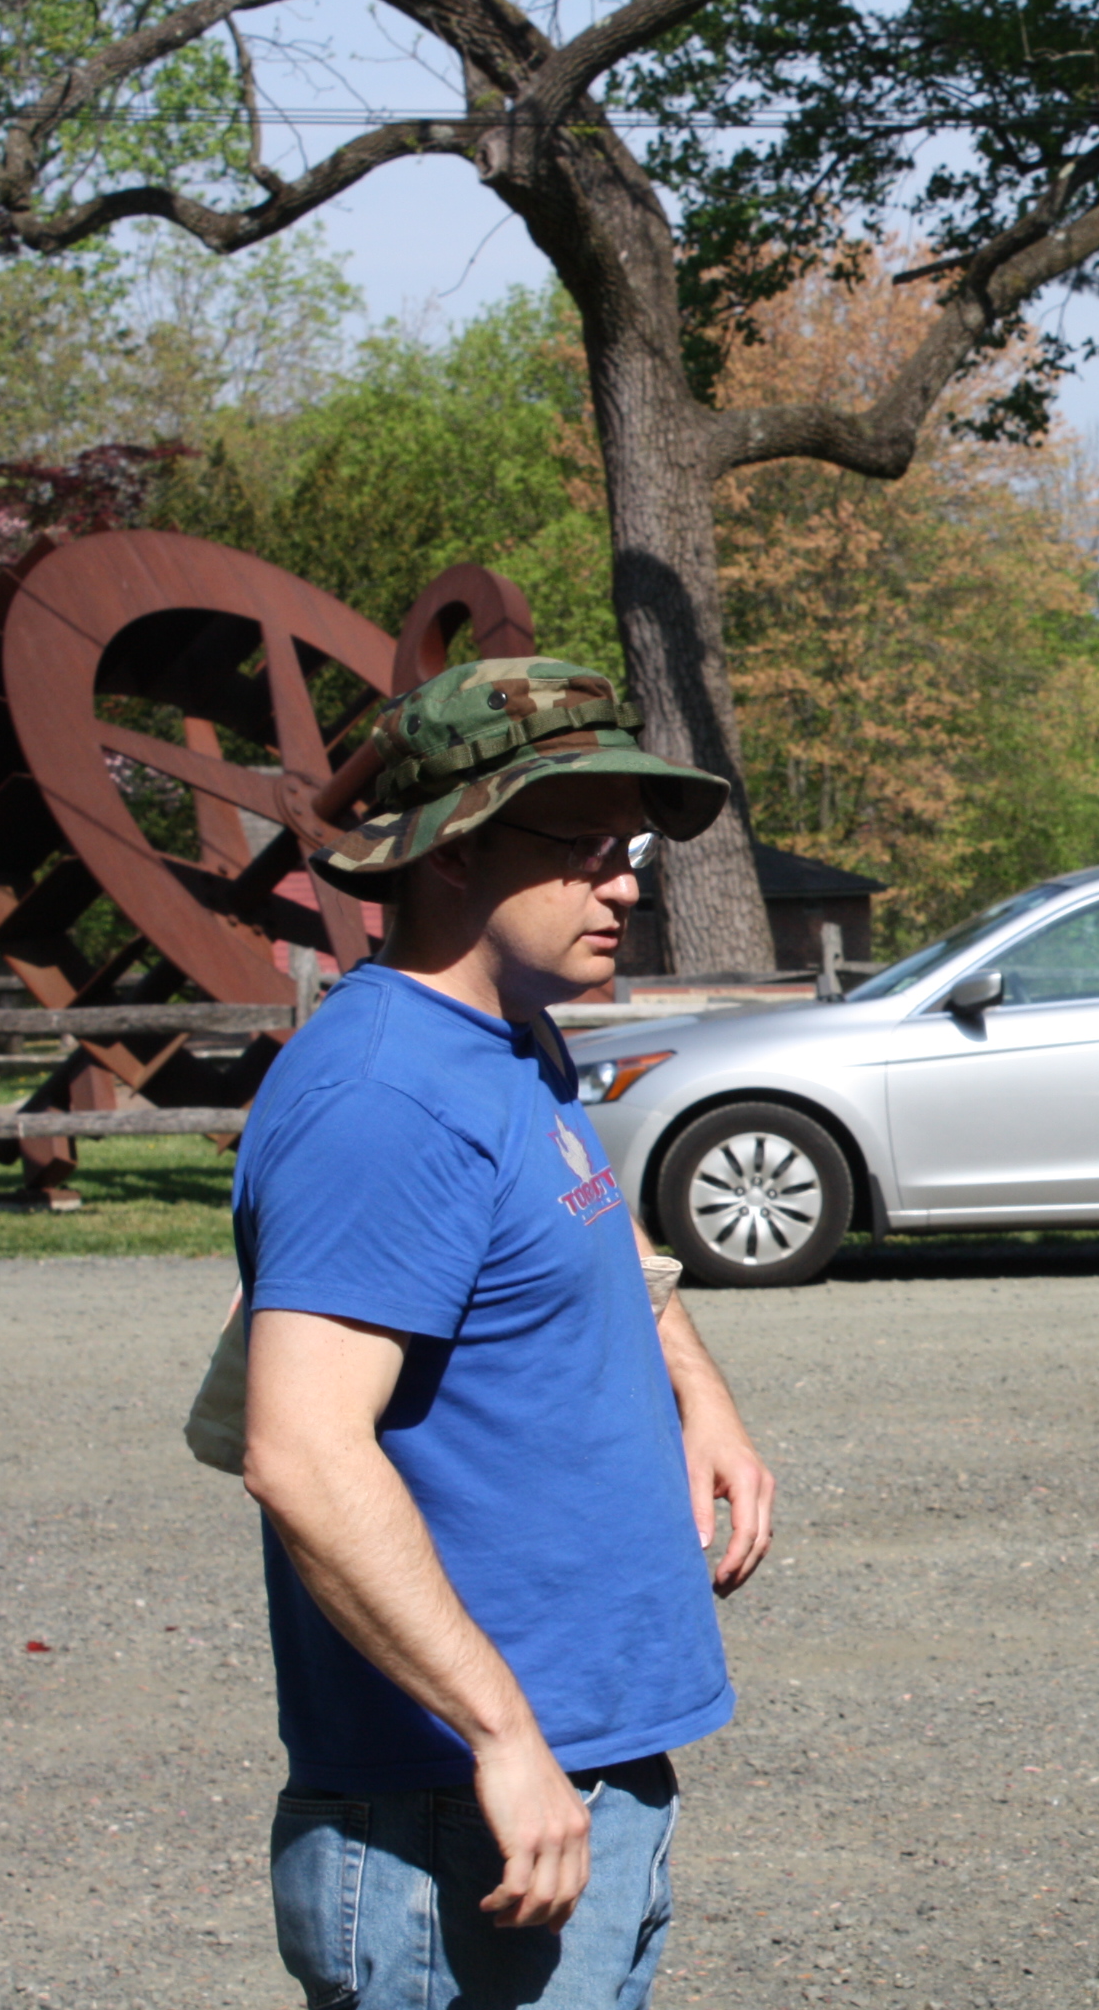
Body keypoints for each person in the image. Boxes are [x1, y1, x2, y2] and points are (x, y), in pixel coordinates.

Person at [236, 658, 778, 2009]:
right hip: (452, 1815)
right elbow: (302, 1452)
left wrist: (699, 1398)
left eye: (629, 847)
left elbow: (581, 1241)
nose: (626, 884)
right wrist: (500, 1734)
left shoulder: (508, 1042)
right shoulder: (384, 1099)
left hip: (579, 1755)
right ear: (455, 850)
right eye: (583, 846)